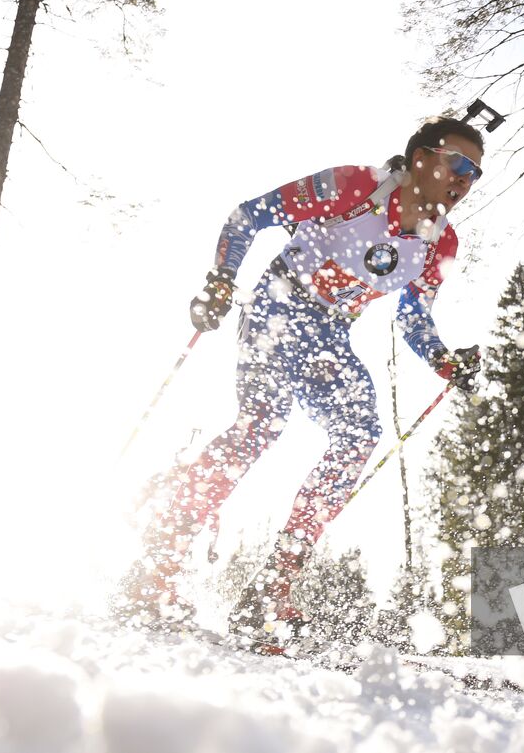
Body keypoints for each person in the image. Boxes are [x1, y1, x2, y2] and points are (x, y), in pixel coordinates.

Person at [129, 116, 486, 642]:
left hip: (329, 335)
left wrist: (445, 363)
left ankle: (275, 586)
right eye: (456, 163)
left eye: (474, 174)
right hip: (278, 304)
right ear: (420, 158)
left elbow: (413, 316)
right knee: (261, 425)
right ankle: (159, 560)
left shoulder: (441, 244)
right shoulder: (352, 186)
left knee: (359, 434)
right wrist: (222, 281)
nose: (463, 180)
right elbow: (249, 216)